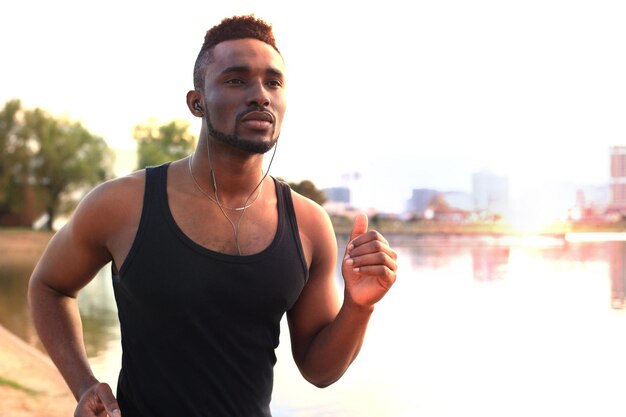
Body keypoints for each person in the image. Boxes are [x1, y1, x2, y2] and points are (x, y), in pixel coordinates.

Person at [28, 15, 398, 417]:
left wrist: (359, 307)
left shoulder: (308, 224)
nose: (260, 95)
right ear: (197, 102)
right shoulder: (122, 204)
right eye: (237, 80)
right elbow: (49, 286)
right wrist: (83, 385)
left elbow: (319, 371)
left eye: (273, 82)